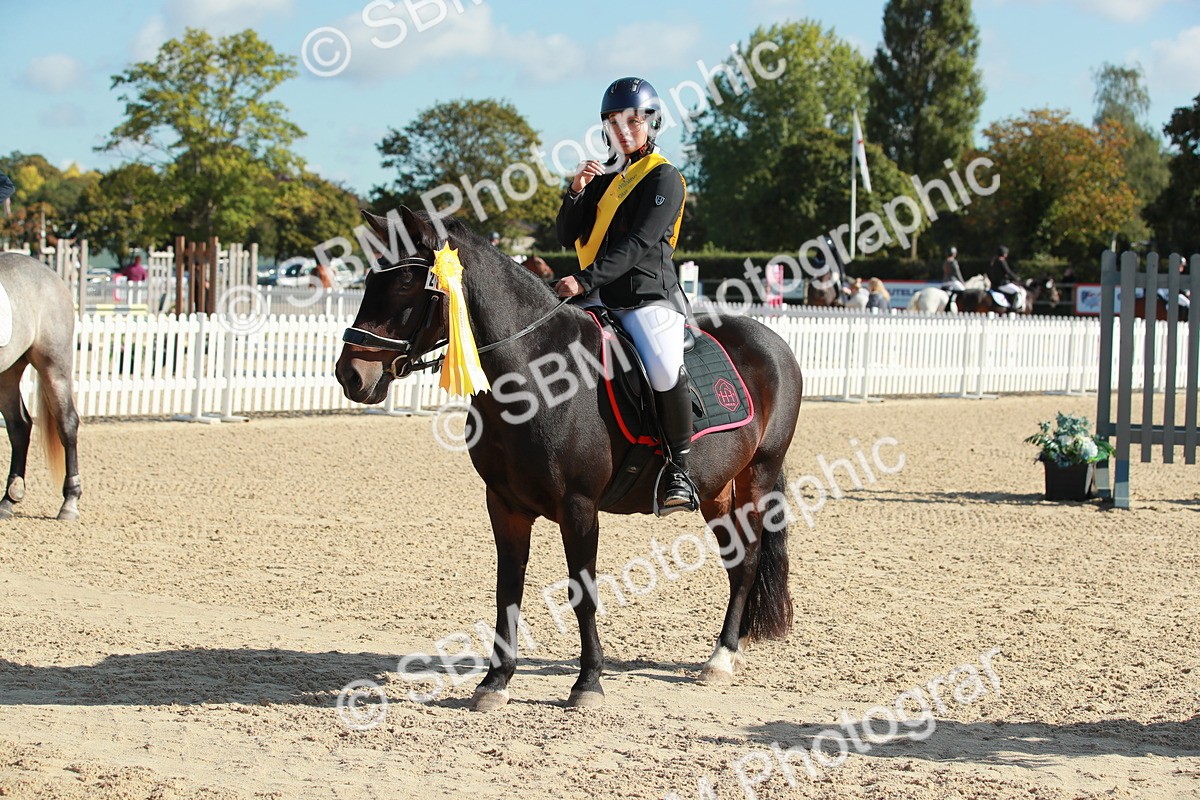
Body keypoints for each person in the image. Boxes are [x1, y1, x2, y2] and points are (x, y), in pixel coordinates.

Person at [555, 76, 694, 513]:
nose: (623, 130)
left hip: (647, 298)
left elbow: (637, 244)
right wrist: (575, 191)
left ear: (651, 123)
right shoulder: (602, 179)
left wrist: (583, 281)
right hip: (597, 295)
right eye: (614, 122)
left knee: (663, 367)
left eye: (633, 121)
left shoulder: (664, 178)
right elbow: (566, 235)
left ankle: (679, 469)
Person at [986, 246, 1025, 313]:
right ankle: (1012, 309)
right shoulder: (1002, 261)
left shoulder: (993, 262)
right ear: (1004, 253)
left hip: (994, 284)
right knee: (1016, 291)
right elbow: (1008, 272)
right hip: (1002, 284)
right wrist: (1016, 278)